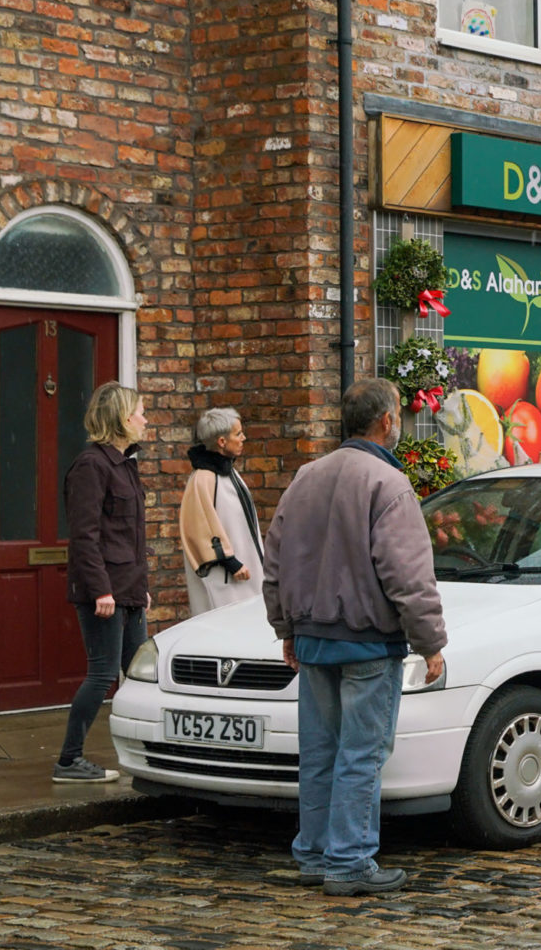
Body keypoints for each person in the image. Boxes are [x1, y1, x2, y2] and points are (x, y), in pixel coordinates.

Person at [264, 379, 447, 895]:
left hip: (315, 640)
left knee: (320, 752)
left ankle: (316, 853)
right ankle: (349, 860)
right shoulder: (387, 484)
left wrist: (285, 628)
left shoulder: (305, 477)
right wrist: (430, 641)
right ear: (387, 421)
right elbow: (407, 574)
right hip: (367, 641)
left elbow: (274, 563)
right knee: (361, 754)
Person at [56, 381, 150, 784]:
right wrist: (102, 590)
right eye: (140, 412)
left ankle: (149, 750)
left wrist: (138, 589)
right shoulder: (91, 466)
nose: (145, 420)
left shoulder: (125, 465)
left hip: (129, 590)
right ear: (122, 419)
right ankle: (68, 760)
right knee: (102, 673)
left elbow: (129, 535)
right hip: (105, 593)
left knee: (140, 671)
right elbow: (85, 535)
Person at [180, 407, 265, 615]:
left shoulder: (229, 473)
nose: (243, 438)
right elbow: (199, 528)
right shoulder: (204, 479)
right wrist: (231, 562)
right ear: (221, 442)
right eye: (238, 434)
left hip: (243, 574)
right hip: (225, 577)